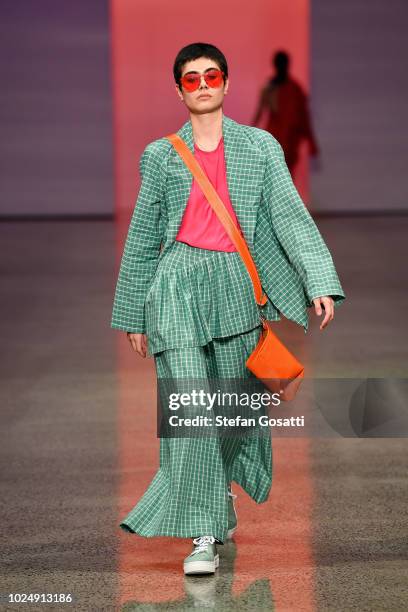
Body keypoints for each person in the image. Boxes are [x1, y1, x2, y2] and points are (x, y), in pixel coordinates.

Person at [111, 42, 346, 575]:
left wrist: (319, 280)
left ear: (227, 82)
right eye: (190, 79)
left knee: (234, 412)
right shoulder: (160, 154)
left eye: (210, 76)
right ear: (178, 90)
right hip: (175, 288)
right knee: (190, 410)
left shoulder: (259, 147)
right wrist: (132, 312)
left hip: (236, 287)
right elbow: (144, 237)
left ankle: (217, 492)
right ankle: (203, 532)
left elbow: (289, 215)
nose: (202, 86)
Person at [252, 50, 320, 176]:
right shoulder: (272, 88)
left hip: (289, 142)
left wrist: (312, 143)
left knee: (283, 178)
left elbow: (304, 117)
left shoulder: (293, 89)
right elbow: (260, 113)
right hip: (277, 140)